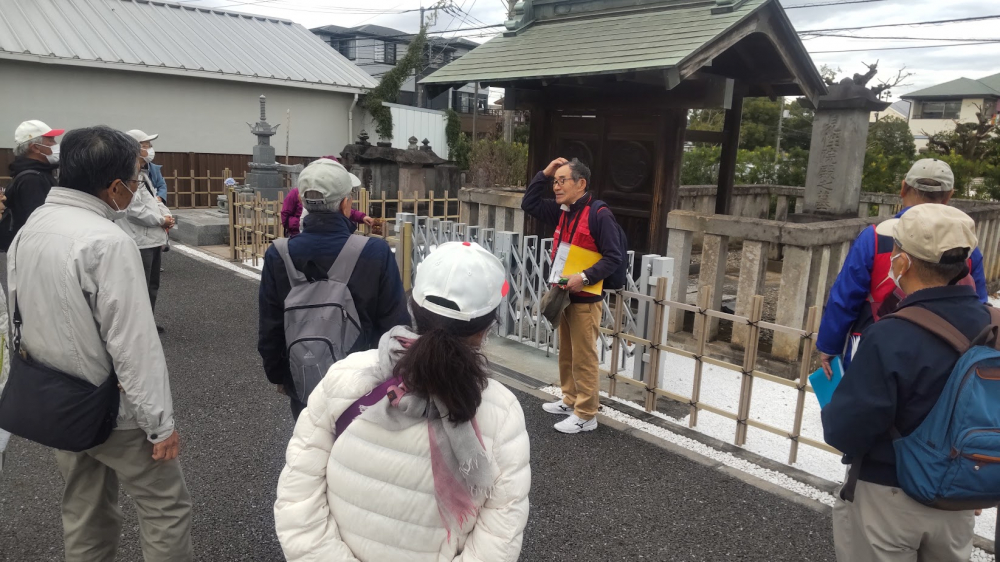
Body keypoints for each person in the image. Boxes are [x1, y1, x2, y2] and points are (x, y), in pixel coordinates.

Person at [274, 241, 530, 561]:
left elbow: (298, 500)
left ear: (413, 306)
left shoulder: (345, 377)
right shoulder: (501, 411)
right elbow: (499, 537)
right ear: (488, 326)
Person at [7, 125, 191, 560]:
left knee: (86, 508)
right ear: (114, 187)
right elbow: (133, 345)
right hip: (112, 408)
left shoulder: (34, 225)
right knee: (165, 507)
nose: (133, 189)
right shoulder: (107, 242)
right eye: (132, 180)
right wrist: (159, 423)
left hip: (57, 397)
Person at [822, 204, 988, 562]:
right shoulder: (993, 326)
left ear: (903, 263)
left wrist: (832, 409)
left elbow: (846, 431)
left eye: (896, 249)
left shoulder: (889, 334)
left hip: (889, 494)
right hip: (959, 498)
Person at [259, 158, 409, 419]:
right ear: (345, 203)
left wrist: (280, 376)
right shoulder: (375, 252)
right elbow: (394, 325)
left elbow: (270, 326)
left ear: (303, 203)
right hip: (364, 386)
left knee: (310, 449)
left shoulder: (278, 254)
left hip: (303, 379)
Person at [817, 158, 988, 376]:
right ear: (949, 195)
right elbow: (978, 303)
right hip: (943, 348)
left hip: (872, 340)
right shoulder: (966, 246)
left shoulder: (876, 236)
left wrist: (829, 346)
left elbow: (846, 296)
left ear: (903, 188)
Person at [521, 157, 623, 434]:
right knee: (566, 351)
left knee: (584, 356)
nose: (556, 186)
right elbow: (528, 204)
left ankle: (587, 413)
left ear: (581, 183)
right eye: (555, 181)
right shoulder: (563, 211)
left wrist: (585, 276)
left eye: (561, 180)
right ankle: (570, 398)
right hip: (564, 292)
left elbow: (614, 256)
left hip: (586, 296)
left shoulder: (599, 214)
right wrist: (544, 173)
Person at [119, 130, 175, 333]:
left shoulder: (143, 173)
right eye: (145, 144)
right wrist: (161, 220)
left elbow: (153, 200)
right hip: (139, 239)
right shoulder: (127, 176)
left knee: (152, 285)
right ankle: (138, 327)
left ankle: (147, 322)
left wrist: (166, 216)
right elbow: (133, 210)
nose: (149, 149)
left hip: (151, 239)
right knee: (140, 287)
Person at [4, 120, 64, 248]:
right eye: (51, 140)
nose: (56, 145)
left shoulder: (36, 174)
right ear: (35, 147)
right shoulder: (32, 180)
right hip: (37, 250)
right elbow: (41, 226)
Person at [281, 158, 374, 238]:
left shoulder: (279, 251)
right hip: (297, 234)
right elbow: (285, 215)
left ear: (301, 199)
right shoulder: (370, 249)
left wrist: (362, 217)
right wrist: (297, 225)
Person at [125, 130, 169, 202]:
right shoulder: (123, 171)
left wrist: (160, 197)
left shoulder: (154, 169)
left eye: (149, 146)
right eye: (145, 146)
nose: (150, 150)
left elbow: (161, 185)